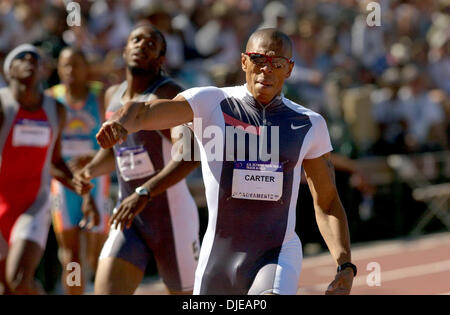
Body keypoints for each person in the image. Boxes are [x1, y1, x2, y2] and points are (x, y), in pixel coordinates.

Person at [97, 28, 356, 295]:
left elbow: (326, 201)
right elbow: (144, 110)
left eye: (277, 64)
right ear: (244, 61)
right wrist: (120, 122)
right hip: (217, 260)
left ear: (288, 70)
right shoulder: (211, 103)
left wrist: (344, 265)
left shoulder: (309, 124)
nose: (266, 70)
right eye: (258, 60)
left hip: (275, 255)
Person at [76, 23, 200, 295]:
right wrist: (88, 172)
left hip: (172, 220)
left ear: (160, 59)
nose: (142, 45)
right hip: (130, 217)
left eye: (151, 43)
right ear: (124, 50)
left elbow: (191, 157)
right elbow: (114, 153)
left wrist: (145, 192)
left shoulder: (169, 95)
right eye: (136, 40)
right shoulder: (111, 95)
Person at [0, 44, 91, 295]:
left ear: (43, 70)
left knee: (19, 279)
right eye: (22, 58)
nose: (30, 61)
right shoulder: (2, 104)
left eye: (35, 59)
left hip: (34, 204)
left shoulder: (55, 109)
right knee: (8, 288)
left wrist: (81, 187)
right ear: (9, 69)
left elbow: (55, 160)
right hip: (1, 202)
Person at [46, 47, 110, 295]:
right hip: (64, 182)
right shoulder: (51, 98)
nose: (71, 70)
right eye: (65, 65)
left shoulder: (100, 95)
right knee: (71, 253)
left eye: (76, 64)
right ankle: (75, 292)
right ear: (59, 69)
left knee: (95, 253)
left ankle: (94, 281)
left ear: (86, 68)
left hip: (96, 179)